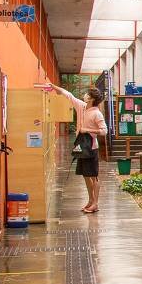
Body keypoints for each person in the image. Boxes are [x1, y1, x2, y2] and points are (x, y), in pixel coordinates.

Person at [40, 83, 108, 213]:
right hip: (81, 146)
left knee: (94, 176)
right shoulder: (81, 106)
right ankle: (90, 200)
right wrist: (54, 87)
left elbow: (104, 131)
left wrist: (86, 129)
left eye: (88, 94)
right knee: (85, 175)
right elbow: (68, 95)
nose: (85, 95)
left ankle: (95, 203)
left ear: (91, 99)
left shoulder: (97, 114)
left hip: (91, 147)